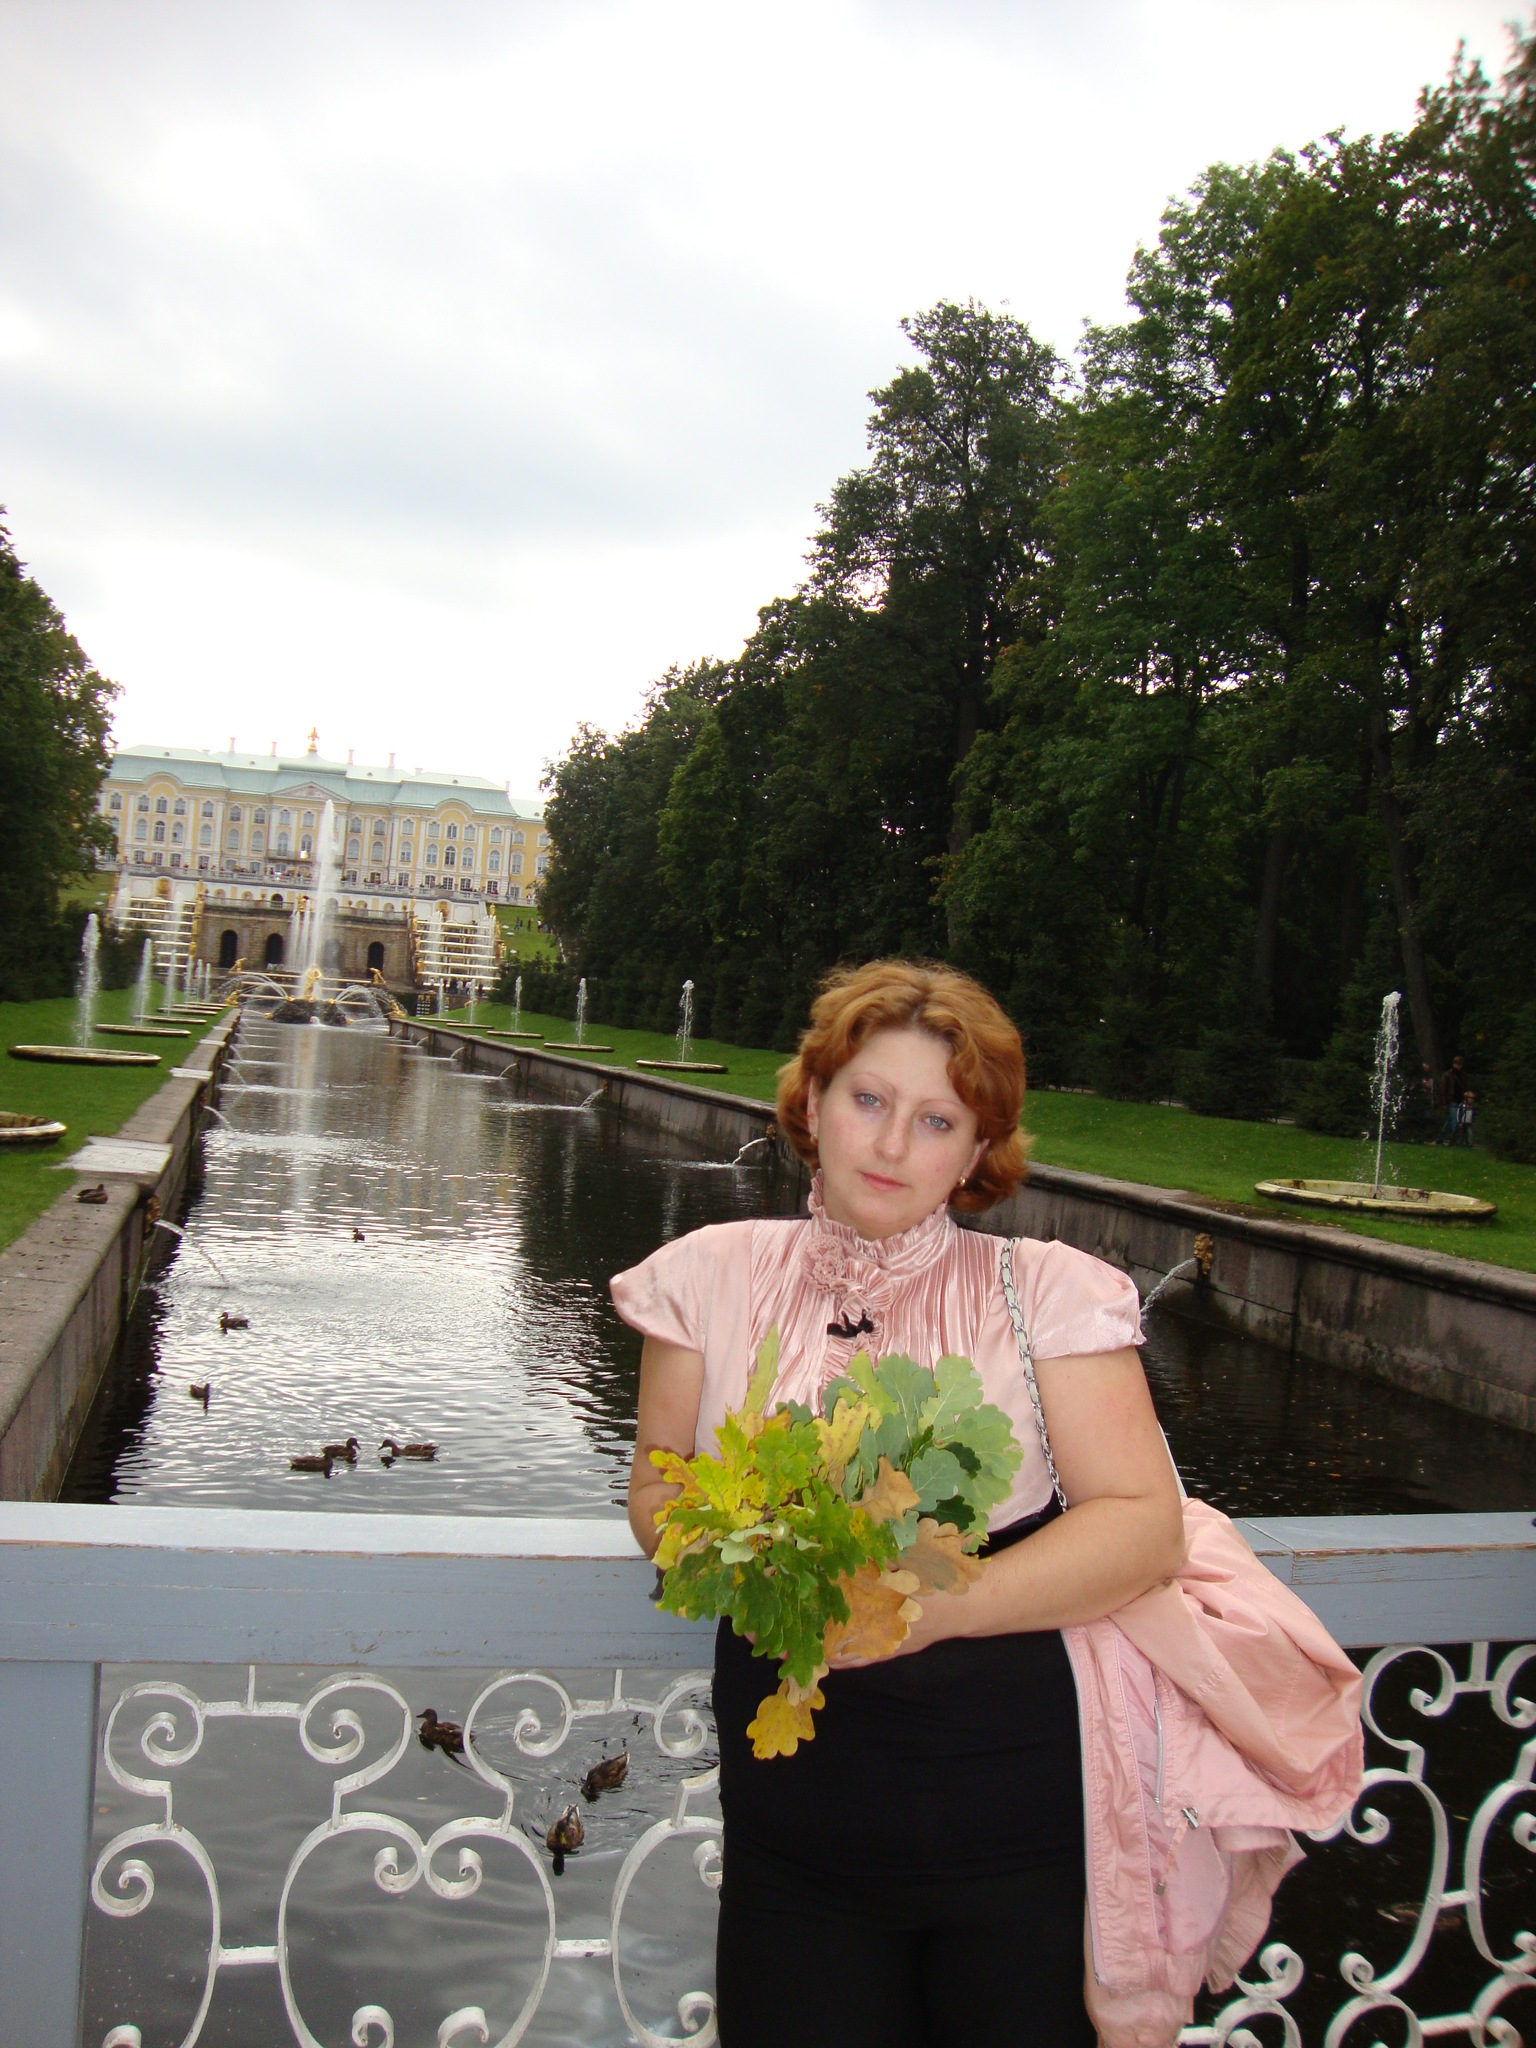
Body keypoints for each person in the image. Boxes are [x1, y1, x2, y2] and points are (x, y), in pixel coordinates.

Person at [611, 960, 1185, 2048]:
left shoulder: (1049, 1292)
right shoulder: (705, 1276)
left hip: (1017, 1822)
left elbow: (1143, 1524)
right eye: (868, 1098)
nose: (889, 1144)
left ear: (975, 1151)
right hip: (794, 1832)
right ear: (813, 1101)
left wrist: (927, 1608)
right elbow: (656, 1483)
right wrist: (746, 1552)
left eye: (935, 1120)